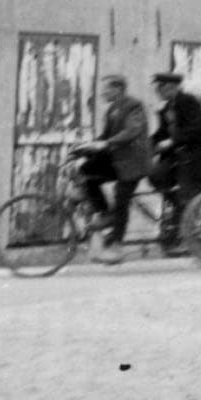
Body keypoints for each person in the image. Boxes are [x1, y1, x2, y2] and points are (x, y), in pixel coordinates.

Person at [73, 74, 150, 260]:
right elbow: (105, 136)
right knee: (88, 171)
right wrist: (86, 147)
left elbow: (132, 130)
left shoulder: (133, 106)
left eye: (106, 89)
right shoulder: (113, 109)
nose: (103, 93)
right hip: (119, 160)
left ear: (118, 89)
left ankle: (117, 245)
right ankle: (105, 213)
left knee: (122, 199)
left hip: (134, 162)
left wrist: (107, 144)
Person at [148, 72, 201, 252]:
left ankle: (185, 236)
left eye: (160, 88)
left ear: (171, 88)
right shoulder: (166, 108)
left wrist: (173, 141)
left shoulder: (189, 102)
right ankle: (175, 215)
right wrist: (148, 147)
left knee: (185, 193)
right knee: (155, 176)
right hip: (177, 158)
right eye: (157, 88)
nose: (157, 92)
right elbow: (161, 133)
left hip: (195, 158)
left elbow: (198, 128)